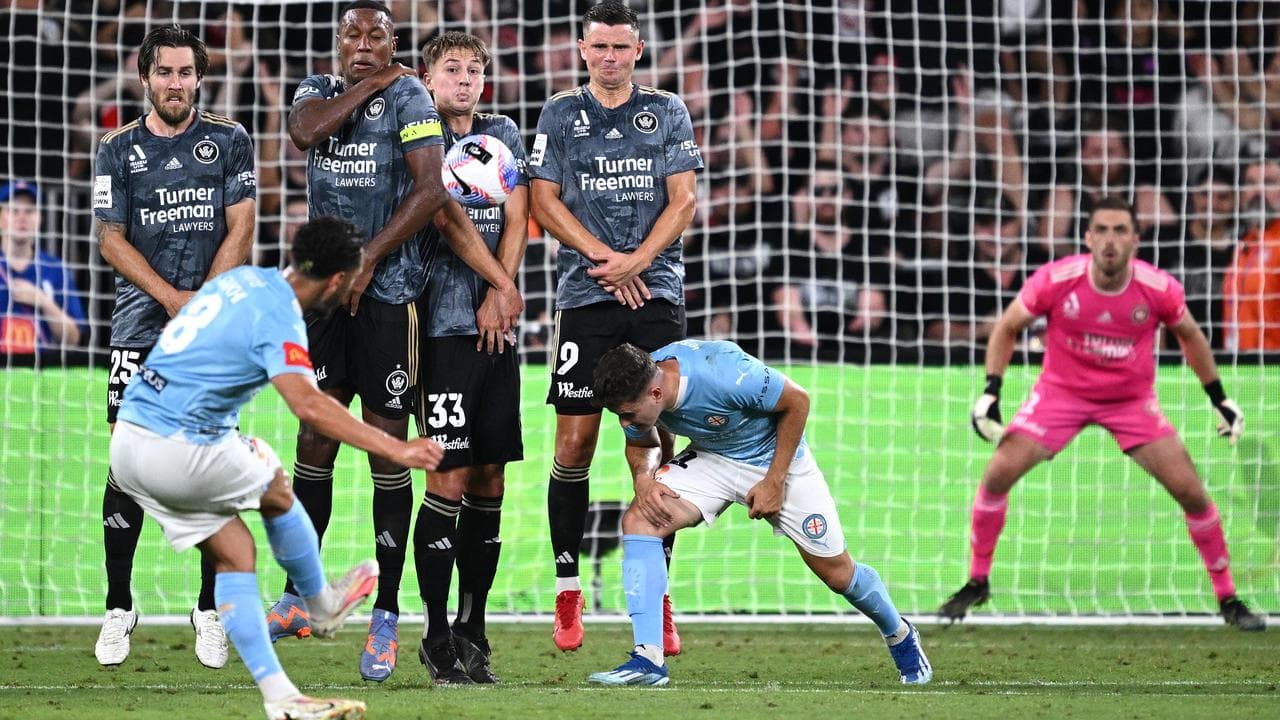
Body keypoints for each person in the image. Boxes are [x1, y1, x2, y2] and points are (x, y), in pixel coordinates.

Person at [266, 0, 522, 684]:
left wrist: (370, 257)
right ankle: (299, 595)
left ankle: (385, 615)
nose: (363, 42)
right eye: (352, 33)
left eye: (376, 35)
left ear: (393, 41)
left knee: (388, 448)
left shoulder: (413, 97)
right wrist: (373, 81)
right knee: (314, 440)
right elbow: (303, 132)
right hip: (322, 296)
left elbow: (432, 189)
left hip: (389, 294)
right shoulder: (320, 89)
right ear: (338, 41)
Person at [110, 216, 444, 720]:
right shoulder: (280, 313)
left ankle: (282, 698)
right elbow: (308, 405)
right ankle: (321, 603)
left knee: (236, 553)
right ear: (337, 281)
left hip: (129, 442)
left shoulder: (241, 280)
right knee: (273, 476)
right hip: (177, 444)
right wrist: (396, 449)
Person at [942, 196, 1266, 632]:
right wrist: (991, 391)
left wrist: (1219, 397)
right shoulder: (1056, 279)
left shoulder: (1158, 288)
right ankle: (977, 581)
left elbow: (1190, 336)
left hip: (1131, 402)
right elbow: (1008, 326)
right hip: (1061, 395)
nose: (1110, 240)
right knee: (997, 474)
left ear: (1136, 239)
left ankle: (1228, 598)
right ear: (1088, 237)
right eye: (1102, 230)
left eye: (1120, 230)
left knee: (1191, 492)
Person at [587, 340, 932, 686]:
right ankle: (649, 659)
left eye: (627, 414)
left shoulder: (725, 373)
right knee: (640, 520)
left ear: (656, 393)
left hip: (775, 459)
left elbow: (798, 401)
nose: (624, 422)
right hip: (712, 457)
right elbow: (642, 443)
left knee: (838, 574)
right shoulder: (641, 384)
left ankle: (899, 633)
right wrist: (643, 479)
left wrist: (774, 481)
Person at [528, 0, 701, 654]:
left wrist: (639, 261)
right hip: (586, 293)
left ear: (637, 51)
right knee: (574, 445)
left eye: (620, 47)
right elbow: (543, 200)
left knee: (651, 442)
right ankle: (567, 588)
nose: (609, 57)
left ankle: (658, 597)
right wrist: (609, 260)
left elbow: (684, 200)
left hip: (654, 293)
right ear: (582, 49)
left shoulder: (668, 111)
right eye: (599, 46)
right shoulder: (558, 114)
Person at [92, 23, 256, 669]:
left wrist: (202, 307)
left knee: (210, 459)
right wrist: (169, 298)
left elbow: (242, 227)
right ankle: (118, 606)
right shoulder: (117, 148)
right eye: (165, 72)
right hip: (139, 323)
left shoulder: (230, 140)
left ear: (199, 77)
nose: (176, 83)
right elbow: (110, 238)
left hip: (210, 329)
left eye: (186, 72)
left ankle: (208, 609)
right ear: (145, 77)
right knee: (127, 462)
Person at [409, 31, 528, 685]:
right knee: (447, 479)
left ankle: (472, 628)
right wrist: (499, 288)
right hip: (440, 329)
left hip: (497, 330)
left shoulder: (501, 132)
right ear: (428, 78)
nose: (465, 78)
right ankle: (433, 633)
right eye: (451, 68)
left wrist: (500, 297)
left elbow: (519, 215)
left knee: (489, 479)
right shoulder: (418, 135)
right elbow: (444, 219)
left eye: (474, 69)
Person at [0, 180, 86, 354]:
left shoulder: (55, 269)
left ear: (40, 218)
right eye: (14, 210)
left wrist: (42, 301)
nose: (22, 217)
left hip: (41, 369)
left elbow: (74, 339)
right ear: (1, 218)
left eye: (30, 211)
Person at [1223, 160, 1280, 351]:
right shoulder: (1243, 245)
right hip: (1239, 364)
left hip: (1272, 365)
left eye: (1269, 182)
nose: (1258, 191)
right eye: (1250, 182)